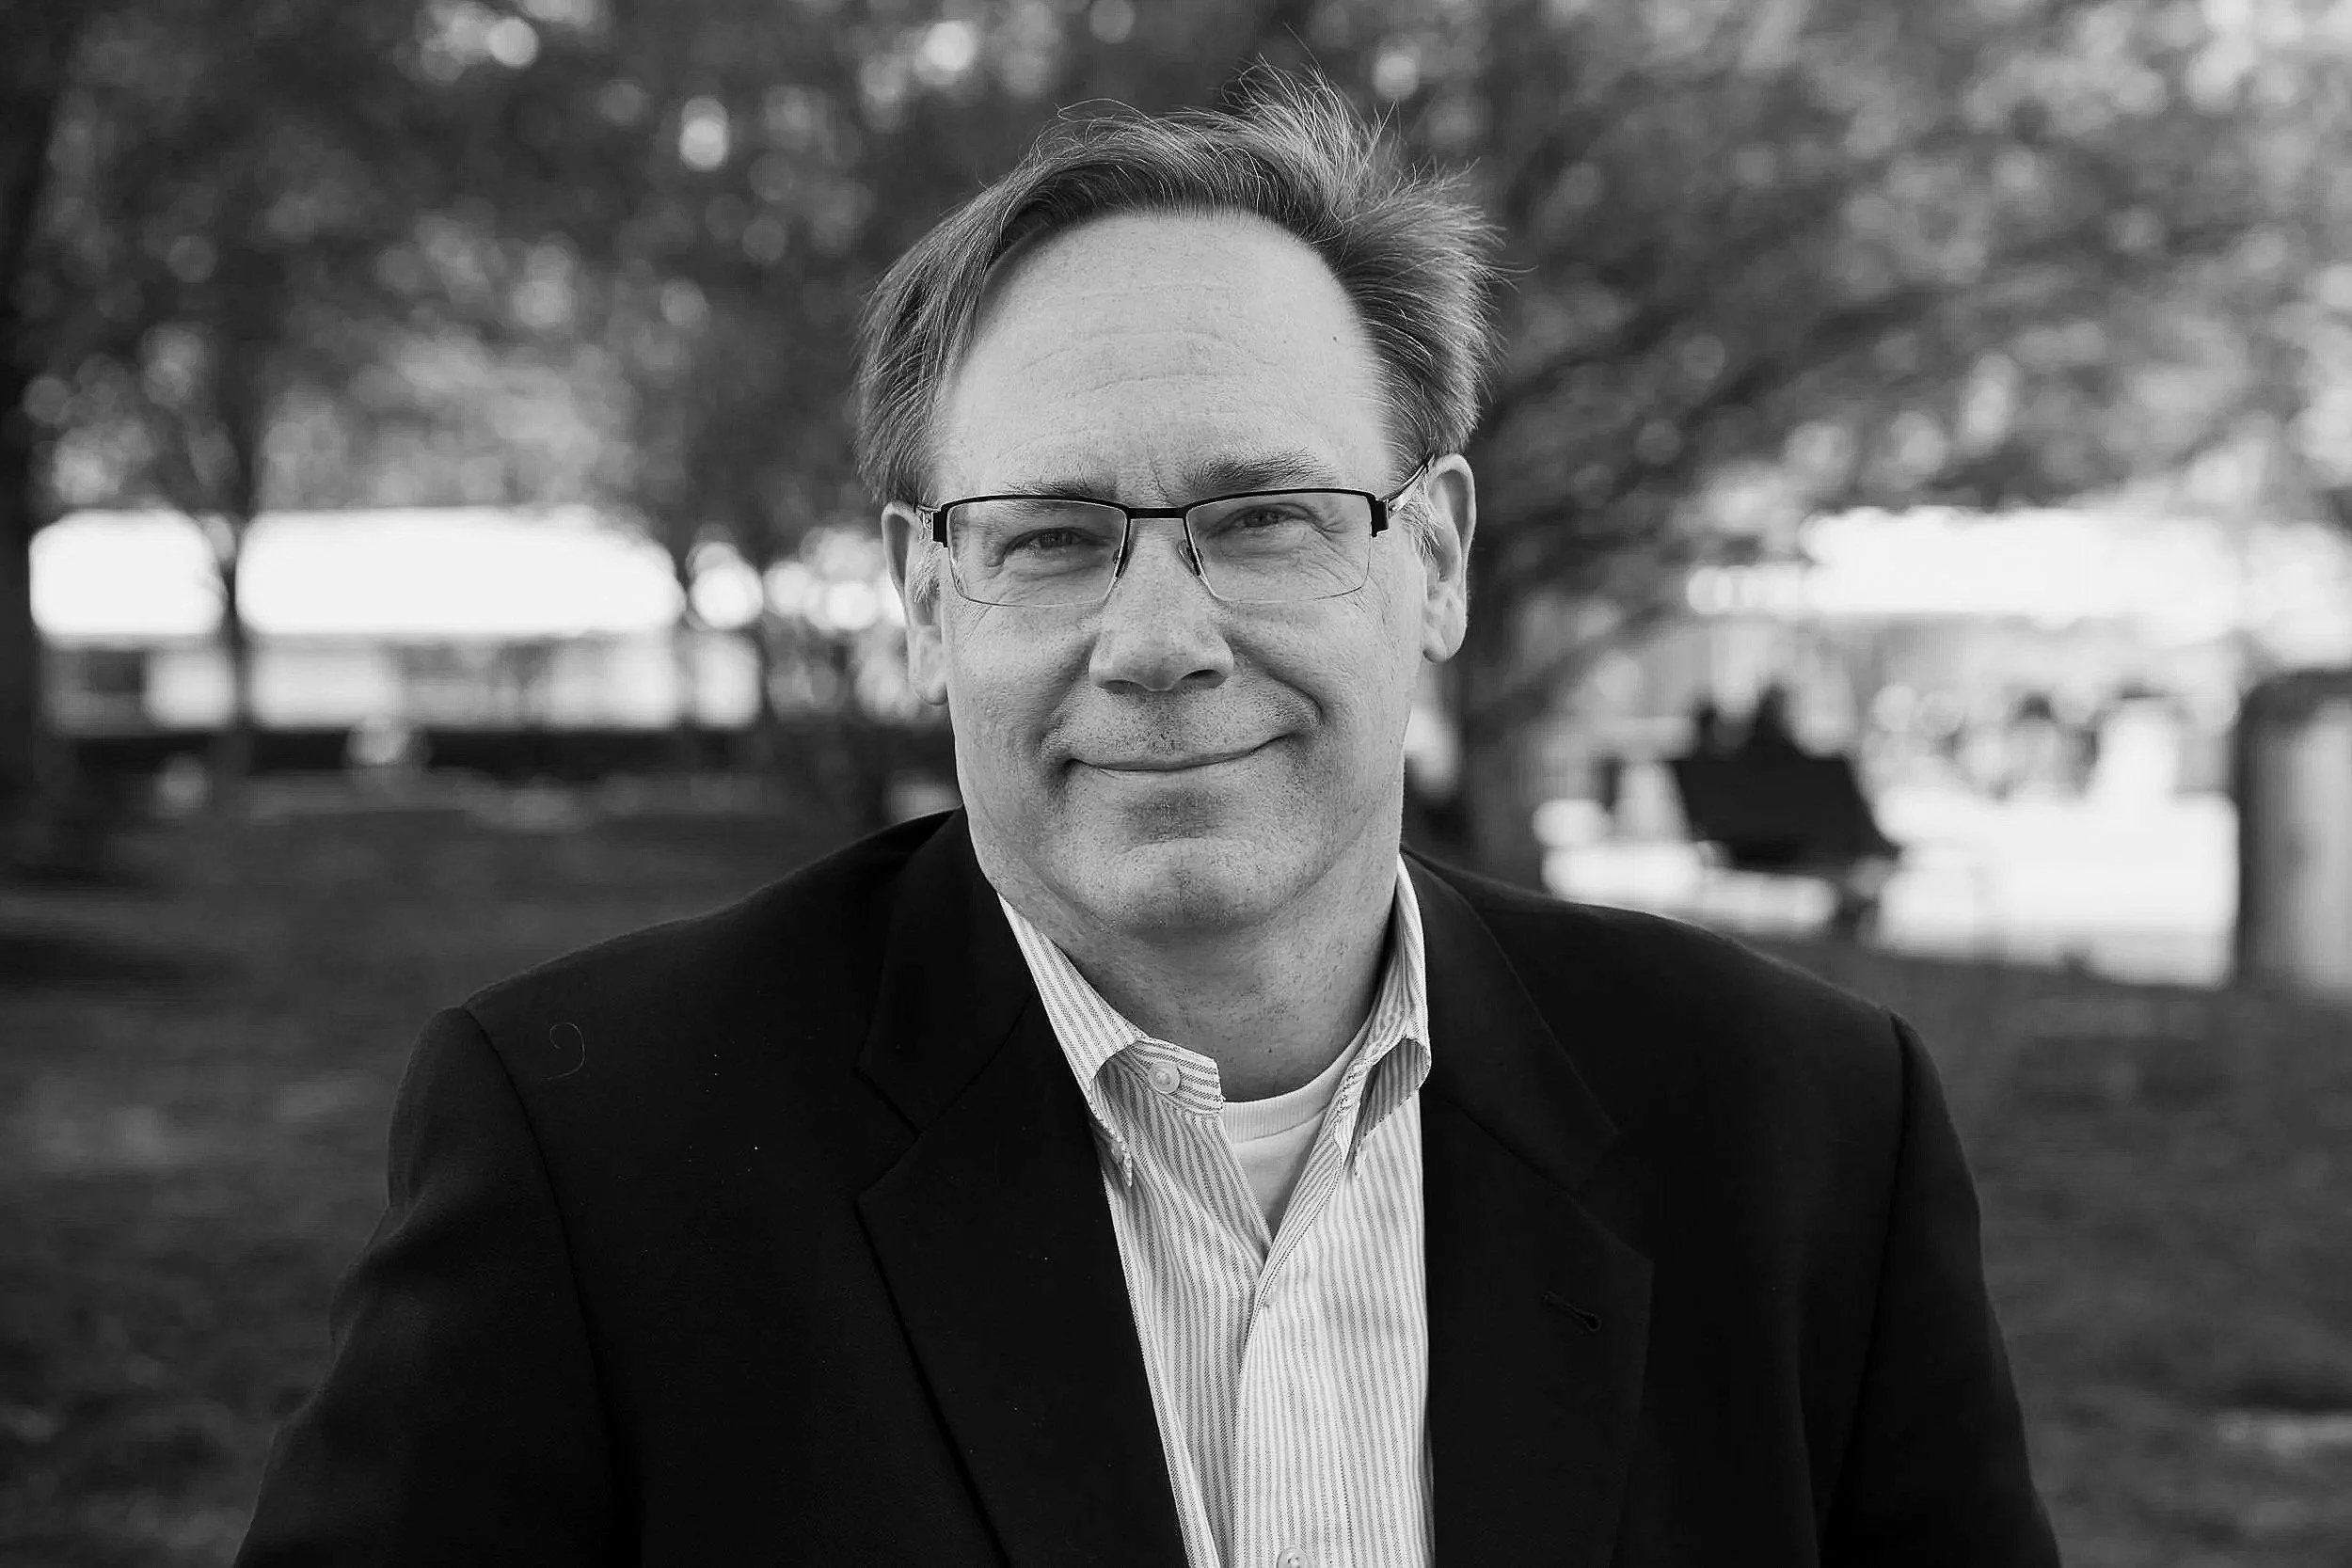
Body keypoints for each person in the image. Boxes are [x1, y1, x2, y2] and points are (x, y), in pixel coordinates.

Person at [235, 75, 2058, 1566]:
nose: (1159, 641)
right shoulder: (594, 1152)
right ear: (927, 600)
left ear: (1430, 558)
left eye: (1263, 519)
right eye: (1050, 537)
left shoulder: (1801, 1134)